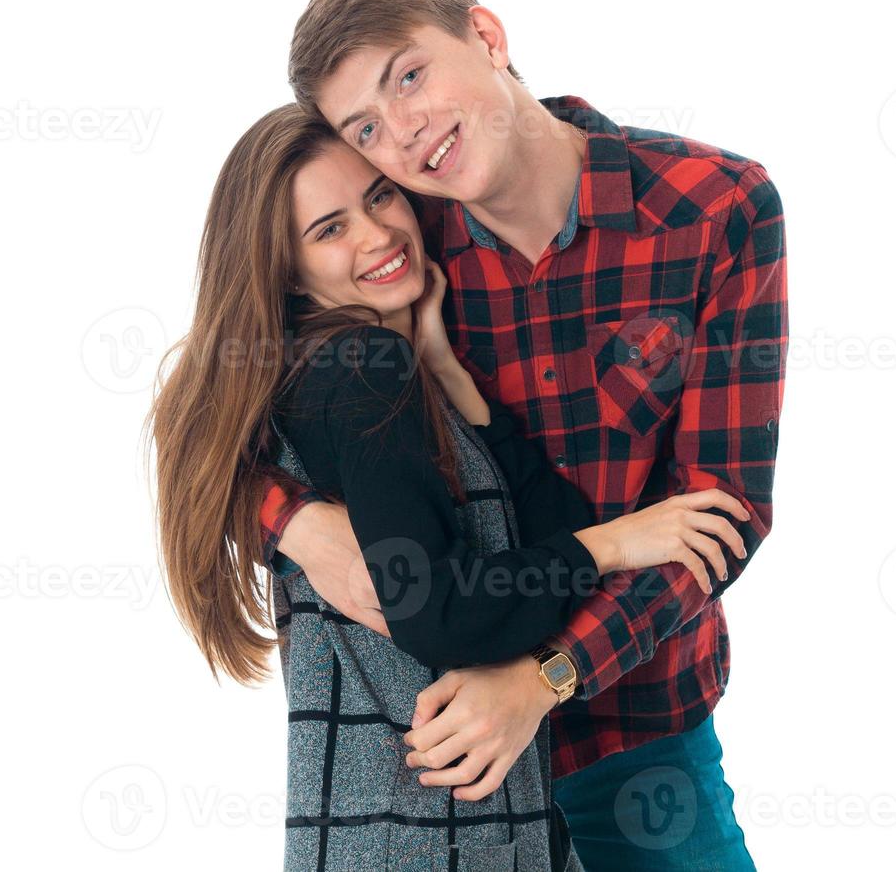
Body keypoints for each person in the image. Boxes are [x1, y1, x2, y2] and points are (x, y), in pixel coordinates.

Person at [255, 0, 789, 871]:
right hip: (450, 768)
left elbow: (721, 517)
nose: (406, 134)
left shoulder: (715, 209)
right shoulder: (399, 249)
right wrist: (292, 520)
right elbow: (229, 405)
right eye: (368, 127)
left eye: (411, 76)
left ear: (487, 37)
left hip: (634, 730)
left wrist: (546, 679)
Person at [146, 103, 751, 871]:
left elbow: (541, 525)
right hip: (433, 836)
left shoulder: (347, 368)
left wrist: (444, 369)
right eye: (328, 230)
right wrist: (619, 540)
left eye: (379, 197)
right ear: (283, 269)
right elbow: (444, 615)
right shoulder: (360, 369)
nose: (376, 234)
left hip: (447, 820)